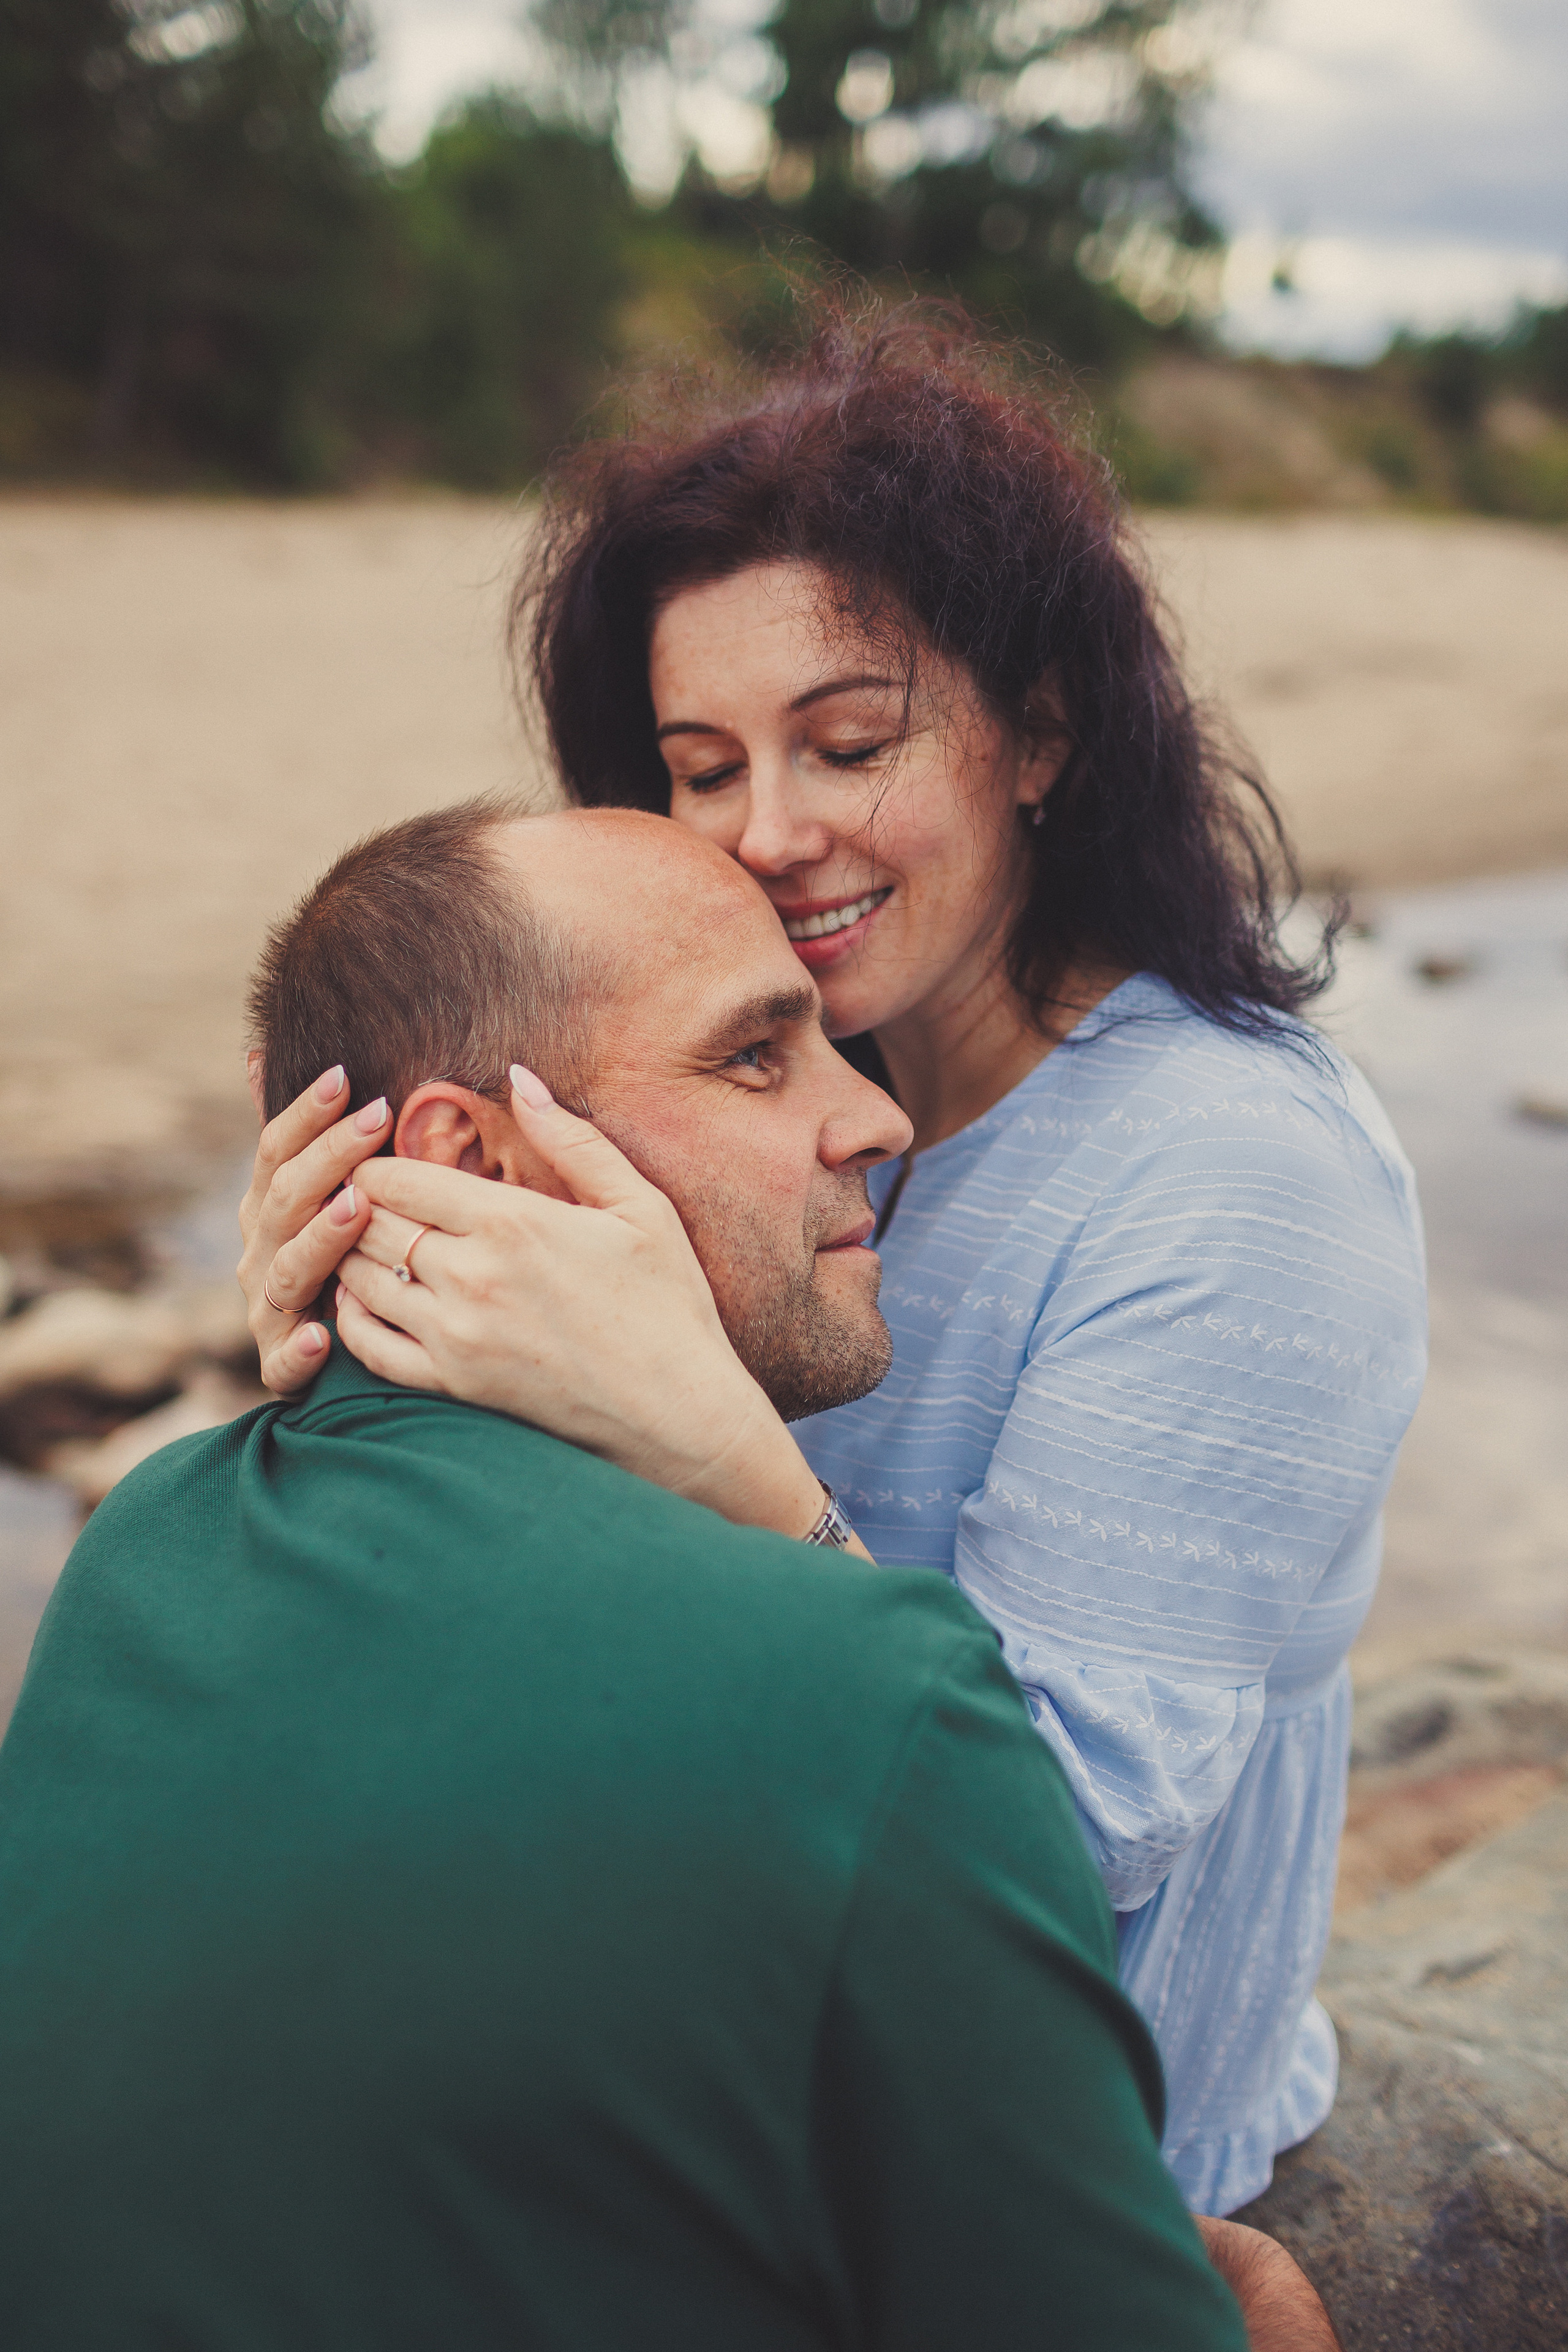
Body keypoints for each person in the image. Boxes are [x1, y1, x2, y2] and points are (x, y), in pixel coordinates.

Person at [238, 298, 1428, 2215]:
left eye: (849, 741)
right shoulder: (757, 1075)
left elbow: (1064, 1837)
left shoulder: (1236, 1174)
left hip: (1020, 2171)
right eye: (700, 767)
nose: (769, 836)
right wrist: (342, 1345)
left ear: (1042, 728)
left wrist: (722, 1453)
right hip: (699, 2053)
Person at [0, 802, 1340, 2352]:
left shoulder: (144, 1542)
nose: (879, 1119)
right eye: (758, 1057)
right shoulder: (864, 1695)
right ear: (478, 1156)